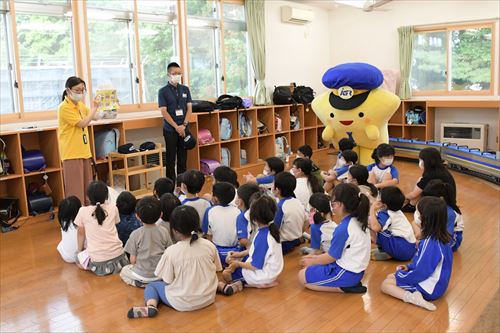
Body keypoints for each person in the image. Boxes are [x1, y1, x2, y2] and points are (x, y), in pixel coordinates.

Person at [127, 205, 222, 318]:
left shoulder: (171, 251)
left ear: (174, 230)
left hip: (181, 303)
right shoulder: (209, 245)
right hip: (208, 297)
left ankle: (151, 306)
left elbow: (167, 280)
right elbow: (217, 270)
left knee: (152, 286)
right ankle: (222, 287)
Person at [381, 197, 453, 311]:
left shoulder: (430, 243)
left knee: (386, 284)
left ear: (425, 218)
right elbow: (424, 264)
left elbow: (421, 272)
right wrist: (408, 267)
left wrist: (401, 276)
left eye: (418, 214)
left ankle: (414, 298)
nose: (417, 216)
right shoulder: (442, 238)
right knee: (392, 276)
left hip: (430, 288)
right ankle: (414, 294)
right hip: (438, 285)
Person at [298, 183, 371, 293]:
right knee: (308, 265)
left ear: (340, 205)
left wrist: (313, 261)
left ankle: (343, 288)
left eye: (333, 204)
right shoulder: (358, 220)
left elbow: (330, 257)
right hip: (354, 271)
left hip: (346, 273)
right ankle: (346, 284)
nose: (332, 207)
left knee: (301, 276)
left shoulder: (343, 228)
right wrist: (314, 259)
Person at [222, 195, 284, 293]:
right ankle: (251, 282)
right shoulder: (270, 230)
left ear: (254, 217)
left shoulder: (262, 236)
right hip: (271, 271)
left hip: (264, 275)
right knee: (236, 264)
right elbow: (257, 250)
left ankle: (253, 283)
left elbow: (256, 265)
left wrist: (237, 264)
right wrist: (239, 255)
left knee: (226, 274)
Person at [58, 76, 101, 204]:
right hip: (72, 154)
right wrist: (94, 108)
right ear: (68, 90)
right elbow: (82, 123)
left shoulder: (80, 105)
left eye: (83, 90)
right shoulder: (64, 107)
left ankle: (87, 219)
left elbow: (95, 117)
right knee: (75, 192)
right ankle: (75, 221)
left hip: (84, 152)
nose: (81, 93)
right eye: (77, 90)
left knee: (88, 191)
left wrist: (108, 107)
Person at [74, 181, 129, 276]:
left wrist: (79, 250)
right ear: (107, 196)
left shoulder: (82, 211)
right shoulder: (113, 208)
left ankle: (96, 268)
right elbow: (115, 225)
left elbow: (81, 233)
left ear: (87, 197)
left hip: (98, 263)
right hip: (120, 258)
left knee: (77, 258)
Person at [120, 196, 173, 288]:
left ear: (137, 216)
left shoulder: (135, 234)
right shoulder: (164, 231)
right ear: (161, 215)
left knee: (124, 271)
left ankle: (138, 283)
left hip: (142, 275)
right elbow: (170, 251)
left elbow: (132, 260)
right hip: (160, 273)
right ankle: (157, 282)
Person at [159, 62, 193, 181]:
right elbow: (164, 111)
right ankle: (170, 185)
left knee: (183, 157)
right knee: (170, 158)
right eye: (174, 73)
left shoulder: (185, 89)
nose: (177, 75)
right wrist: (176, 127)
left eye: (179, 73)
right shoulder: (163, 91)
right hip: (170, 129)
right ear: (169, 75)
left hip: (184, 128)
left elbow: (189, 108)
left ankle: (181, 184)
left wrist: (183, 125)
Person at [413, 179, 464, 251]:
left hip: (449, 237)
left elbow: (445, 238)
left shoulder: (449, 213)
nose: (425, 200)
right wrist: (419, 233)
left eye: (428, 198)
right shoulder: (424, 204)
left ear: (441, 199)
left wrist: (423, 242)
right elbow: (415, 222)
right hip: (432, 232)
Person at [368, 187, 417, 261]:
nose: (377, 199)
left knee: (369, 226)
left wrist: (372, 209)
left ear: (384, 205)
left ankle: (385, 252)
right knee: (375, 223)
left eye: (379, 197)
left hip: (402, 250)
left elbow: (375, 228)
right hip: (409, 248)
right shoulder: (397, 211)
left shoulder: (386, 214)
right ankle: (387, 250)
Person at [404, 147, 456, 213]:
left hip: (439, 206)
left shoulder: (430, 175)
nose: (419, 162)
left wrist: (401, 198)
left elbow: (414, 194)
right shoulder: (440, 169)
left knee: (418, 190)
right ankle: (412, 204)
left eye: (420, 160)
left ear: (426, 161)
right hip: (449, 201)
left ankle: (412, 206)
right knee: (420, 182)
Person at [202, 182, 241, 264]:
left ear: (215, 199)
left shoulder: (209, 211)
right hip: (236, 253)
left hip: (218, 253)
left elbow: (207, 235)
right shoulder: (238, 211)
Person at [273, 172, 308, 254]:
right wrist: (300, 232)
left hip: (284, 244)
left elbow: (275, 229)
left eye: (273, 185)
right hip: (297, 239)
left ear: (277, 190)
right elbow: (307, 221)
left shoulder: (280, 207)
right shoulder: (297, 201)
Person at [235, 183, 262, 248]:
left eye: (238, 197)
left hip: (251, 250)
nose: (236, 199)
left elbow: (243, 240)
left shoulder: (242, 217)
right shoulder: (263, 210)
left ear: (241, 201)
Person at [56, 196, 82, 263]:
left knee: (62, 243)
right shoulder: (81, 221)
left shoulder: (63, 222)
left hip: (66, 256)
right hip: (80, 256)